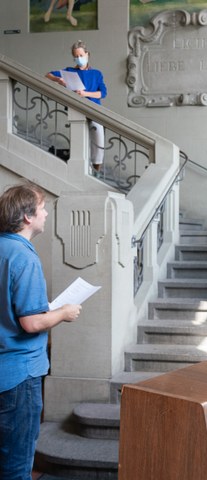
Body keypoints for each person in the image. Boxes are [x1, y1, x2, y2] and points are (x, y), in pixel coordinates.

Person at [0, 183, 82, 479]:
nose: (46, 213)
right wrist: (63, 312)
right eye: (42, 208)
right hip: (18, 377)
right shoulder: (24, 256)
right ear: (27, 217)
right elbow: (31, 323)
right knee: (16, 466)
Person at [46, 40, 107, 172]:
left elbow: (102, 93)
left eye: (81, 55)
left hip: (94, 108)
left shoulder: (97, 73)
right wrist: (59, 80)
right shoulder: (69, 72)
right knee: (80, 140)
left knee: (98, 137)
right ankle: (83, 170)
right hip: (76, 109)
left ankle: (97, 168)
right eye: (76, 56)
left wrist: (85, 93)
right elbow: (48, 74)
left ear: (87, 54)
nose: (79, 59)